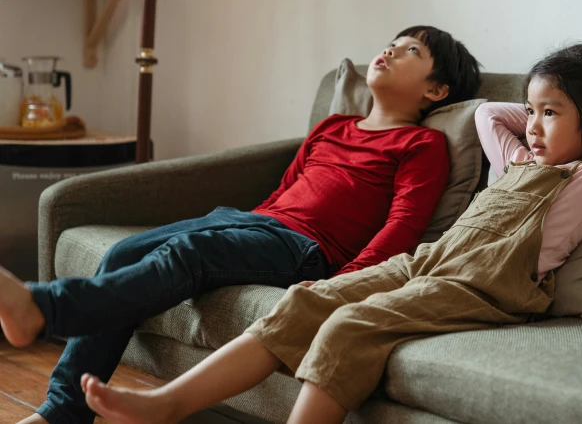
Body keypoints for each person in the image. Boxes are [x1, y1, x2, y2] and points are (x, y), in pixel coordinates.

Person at [81, 44, 582, 424]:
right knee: (306, 300)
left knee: (349, 325)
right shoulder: (514, 158)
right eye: (533, 110)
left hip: (486, 289)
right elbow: (484, 114)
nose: (535, 125)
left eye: (553, 113)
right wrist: (539, 109)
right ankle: (167, 404)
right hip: (430, 260)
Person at [0, 25, 482, 424]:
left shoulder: (421, 146)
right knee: (124, 253)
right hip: (254, 223)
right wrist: (239, 223)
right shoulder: (332, 129)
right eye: (392, 43)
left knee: (189, 256)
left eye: (410, 51)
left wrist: (339, 284)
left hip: (307, 248)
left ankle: (44, 307)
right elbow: (282, 192)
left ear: (435, 91)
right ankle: (62, 411)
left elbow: (402, 225)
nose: (390, 50)